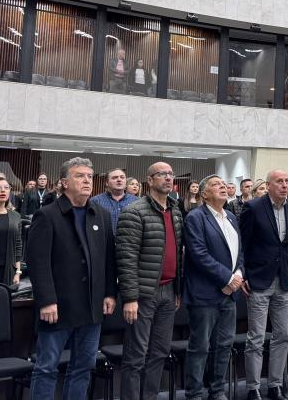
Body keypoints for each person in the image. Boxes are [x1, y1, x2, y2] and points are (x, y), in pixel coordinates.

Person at [26, 158, 117, 400]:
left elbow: (109, 259)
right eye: (80, 176)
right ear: (64, 183)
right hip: (58, 306)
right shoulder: (46, 215)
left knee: (83, 367)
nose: (87, 180)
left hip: (92, 305)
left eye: (90, 176)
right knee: (46, 368)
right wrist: (46, 300)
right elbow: (37, 262)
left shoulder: (102, 215)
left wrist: (110, 293)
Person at [117, 162, 184, 400]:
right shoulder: (134, 212)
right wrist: (130, 298)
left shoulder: (175, 211)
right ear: (150, 180)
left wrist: (178, 290)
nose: (168, 178)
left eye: (171, 174)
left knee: (159, 353)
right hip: (144, 294)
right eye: (162, 174)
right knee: (136, 356)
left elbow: (178, 254)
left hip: (169, 291)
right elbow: (126, 259)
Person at [182, 175, 244, 400]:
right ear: (204, 194)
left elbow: (239, 252)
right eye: (216, 184)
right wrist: (227, 279)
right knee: (200, 347)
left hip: (230, 294)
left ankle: (217, 390)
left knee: (224, 345)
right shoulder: (196, 217)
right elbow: (198, 254)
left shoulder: (231, 217)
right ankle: (194, 393)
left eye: (223, 184)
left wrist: (238, 274)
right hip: (205, 293)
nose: (222, 187)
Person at [240, 169, 288, 400]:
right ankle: (253, 388)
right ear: (269, 185)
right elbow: (243, 244)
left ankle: (275, 386)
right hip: (259, 280)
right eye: (280, 181)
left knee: (283, 335)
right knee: (256, 338)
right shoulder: (253, 207)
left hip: (284, 281)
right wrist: (244, 274)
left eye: (287, 181)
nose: (285, 185)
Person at [90, 168, 139, 237]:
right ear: (107, 183)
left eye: (122, 177)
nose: (119, 180)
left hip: (129, 242)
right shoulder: (95, 201)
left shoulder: (137, 202)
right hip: (103, 241)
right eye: (114, 178)